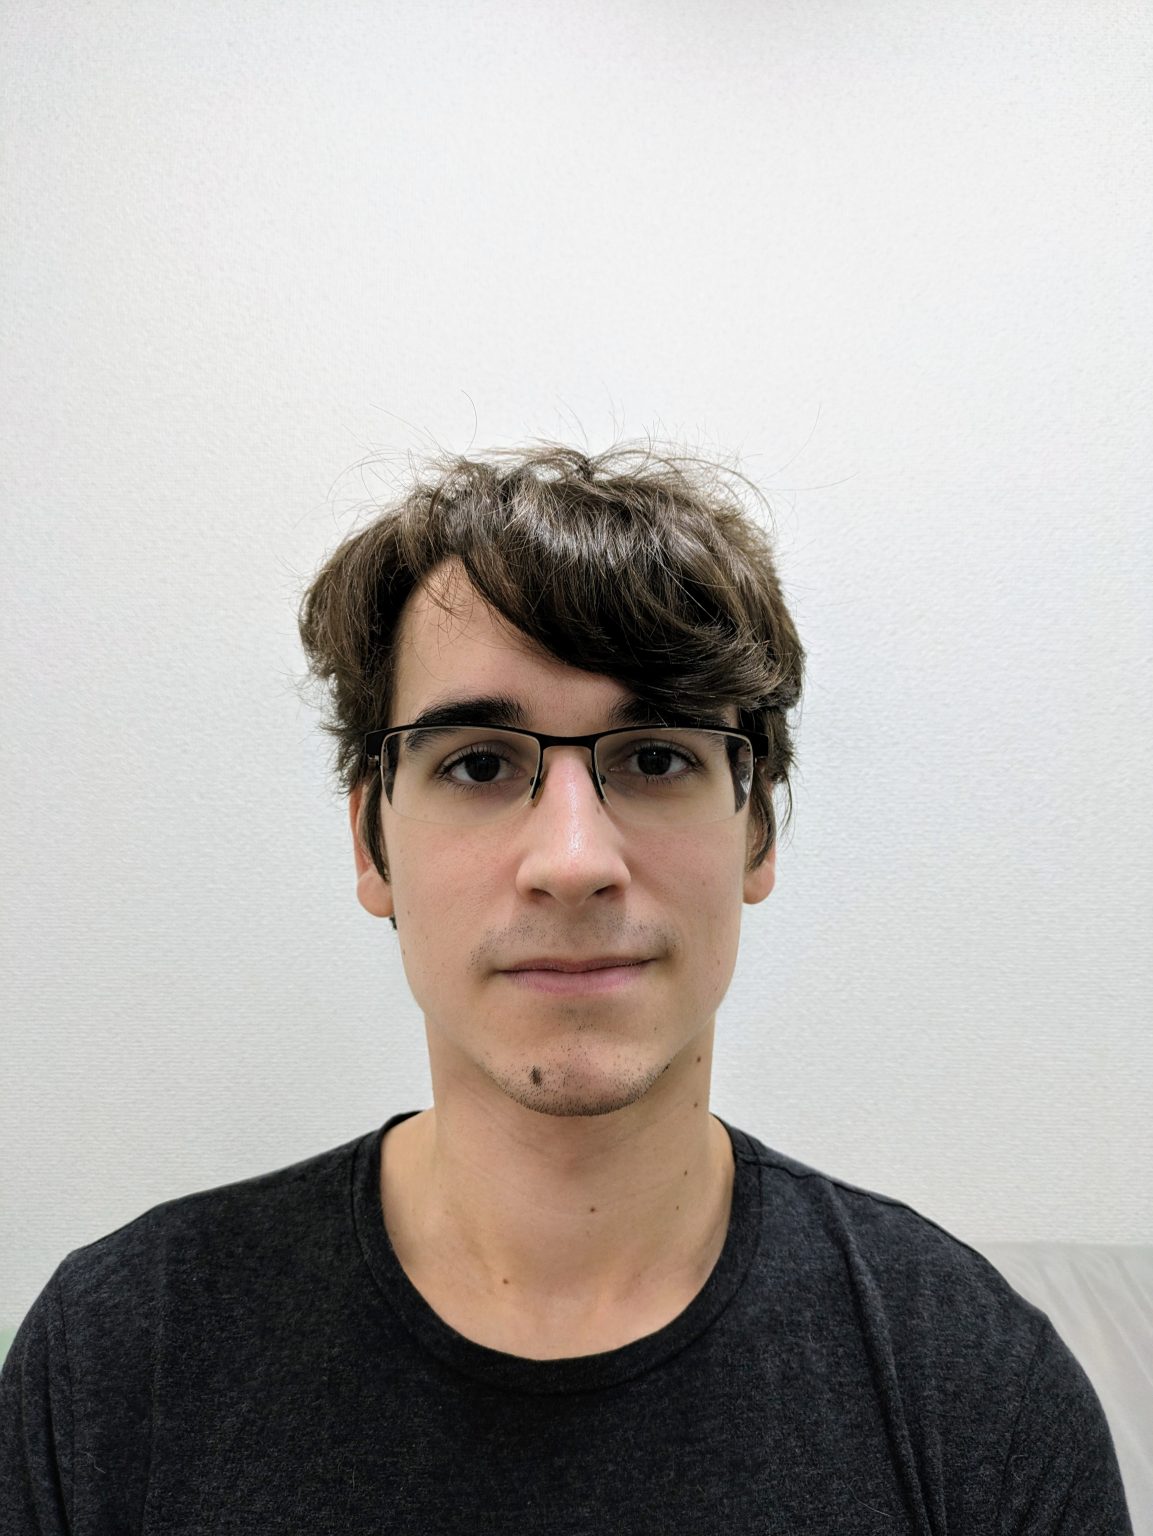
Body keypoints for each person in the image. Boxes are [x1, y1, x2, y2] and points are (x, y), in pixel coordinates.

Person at [0, 441, 1133, 1532]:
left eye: (656, 757)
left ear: (756, 832)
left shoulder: (978, 1389)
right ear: (371, 843)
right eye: (478, 765)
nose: (574, 860)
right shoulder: (117, 1358)